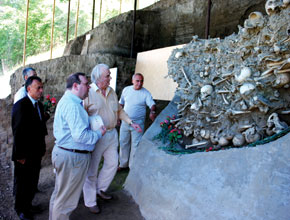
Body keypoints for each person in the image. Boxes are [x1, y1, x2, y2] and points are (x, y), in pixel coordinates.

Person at [82, 64, 142, 214]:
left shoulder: (111, 91)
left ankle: (100, 189)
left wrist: (131, 122)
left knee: (113, 163)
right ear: (98, 78)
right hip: (96, 137)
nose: (110, 78)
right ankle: (90, 201)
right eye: (107, 76)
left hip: (111, 134)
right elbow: (81, 114)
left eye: (109, 75)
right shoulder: (87, 92)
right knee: (92, 169)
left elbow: (119, 110)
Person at [49, 72, 106, 220]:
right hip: (73, 158)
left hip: (66, 154)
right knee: (66, 201)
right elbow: (80, 136)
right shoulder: (72, 105)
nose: (89, 87)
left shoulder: (70, 102)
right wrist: (99, 133)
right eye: (86, 84)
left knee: (60, 195)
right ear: (75, 85)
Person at [11, 76, 47, 220]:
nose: (41, 90)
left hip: (36, 152)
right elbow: (17, 131)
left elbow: (39, 126)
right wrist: (20, 156)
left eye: (41, 87)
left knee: (33, 181)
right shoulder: (20, 105)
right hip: (23, 155)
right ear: (29, 89)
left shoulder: (38, 105)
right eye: (38, 88)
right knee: (22, 184)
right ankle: (21, 210)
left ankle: (29, 205)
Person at [119, 73, 156, 169]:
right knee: (123, 142)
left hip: (138, 123)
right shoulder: (126, 90)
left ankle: (132, 167)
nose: (139, 83)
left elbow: (152, 104)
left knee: (136, 145)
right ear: (132, 81)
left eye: (141, 81)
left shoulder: (145, 93)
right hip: (125, 121)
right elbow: (121, 104)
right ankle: (123, 164)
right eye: (137, 81)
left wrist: (152, 111)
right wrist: (117, 116)